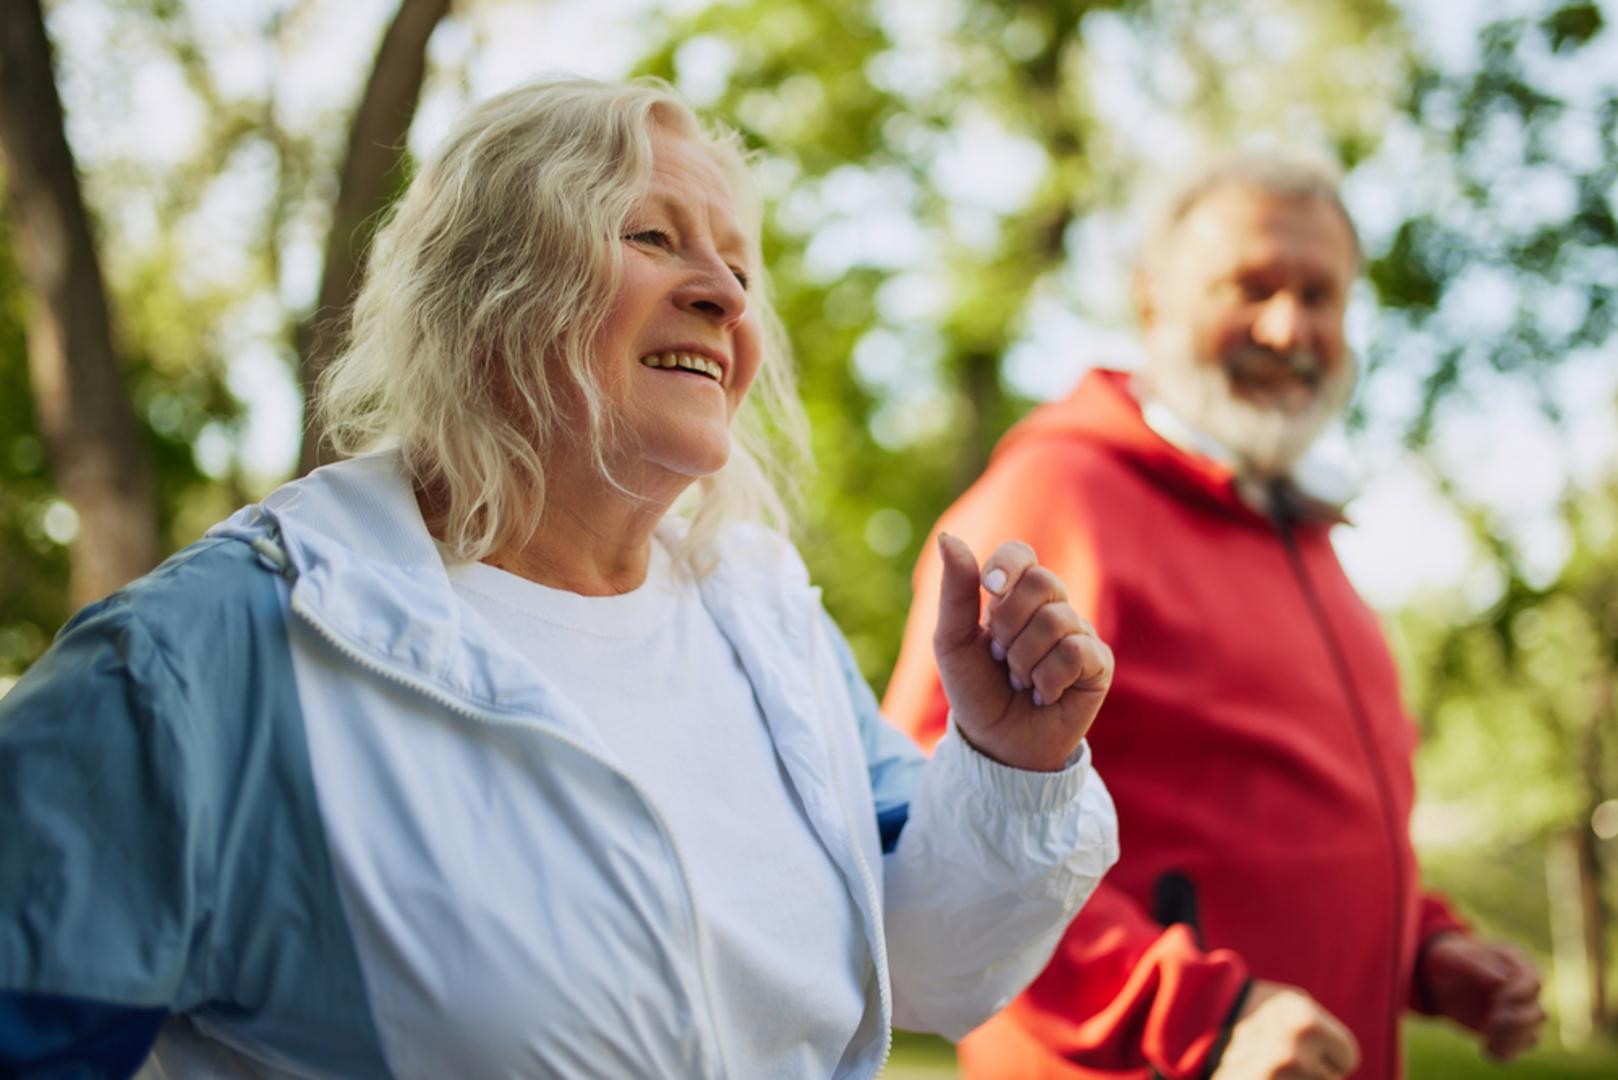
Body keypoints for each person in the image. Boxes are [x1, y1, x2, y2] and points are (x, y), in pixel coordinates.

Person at [0, 78, 1122, 1078]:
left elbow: (923, 964)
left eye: (737, 264)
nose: (727, 298)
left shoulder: (766, 624)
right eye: (653, 235)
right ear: (487, 284)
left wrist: (1008, 766)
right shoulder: (197, 665)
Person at [882, 154, 1547, 1080]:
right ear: (1152, 300)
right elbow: (931, 827)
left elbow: (1287, 834)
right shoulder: (1058, 496)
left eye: (1321, 296)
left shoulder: (1307, 535)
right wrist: (1198, 1010)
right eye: (1252, 286)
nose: (1289, 326)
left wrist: (1427, 953)